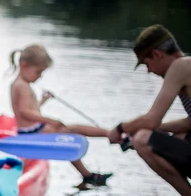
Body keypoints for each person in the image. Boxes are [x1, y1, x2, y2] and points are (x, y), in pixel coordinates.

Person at [107, 24, 191, 196]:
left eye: (146, 63)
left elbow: (152, 119)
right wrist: (153, 129)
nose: (149, 71)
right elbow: (189, 123)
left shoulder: (181, 66)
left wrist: (120, 129)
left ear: (157, 54)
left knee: (143, 140)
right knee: (174, 135)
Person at [9, 43, 113, 186]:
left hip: (33, 129)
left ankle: (88, 173)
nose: (39, 77)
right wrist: (51, 121)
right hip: (32, 132)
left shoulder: (22, 84)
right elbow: (25, 113)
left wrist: (43, 101)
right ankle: (111, 134)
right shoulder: (21, 86)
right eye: (38, 72)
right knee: (72, 131)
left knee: (69, 135)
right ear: (24, 65)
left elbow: (31, 110)